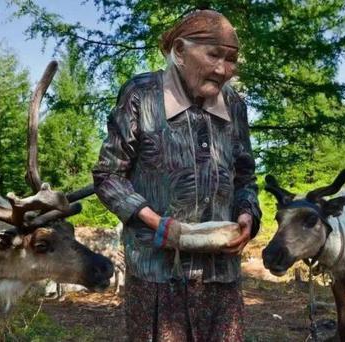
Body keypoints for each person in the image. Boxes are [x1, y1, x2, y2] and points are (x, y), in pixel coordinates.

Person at [93, 9, 261, 341]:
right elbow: (108, 175)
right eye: (214, 54)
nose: (223, 69)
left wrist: (247, 215)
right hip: (157, 275)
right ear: (180, 52)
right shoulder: (141, 96)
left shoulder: (235, 106)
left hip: (221, 276)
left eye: (231, 59)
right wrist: (154, 220)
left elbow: (245, 177)